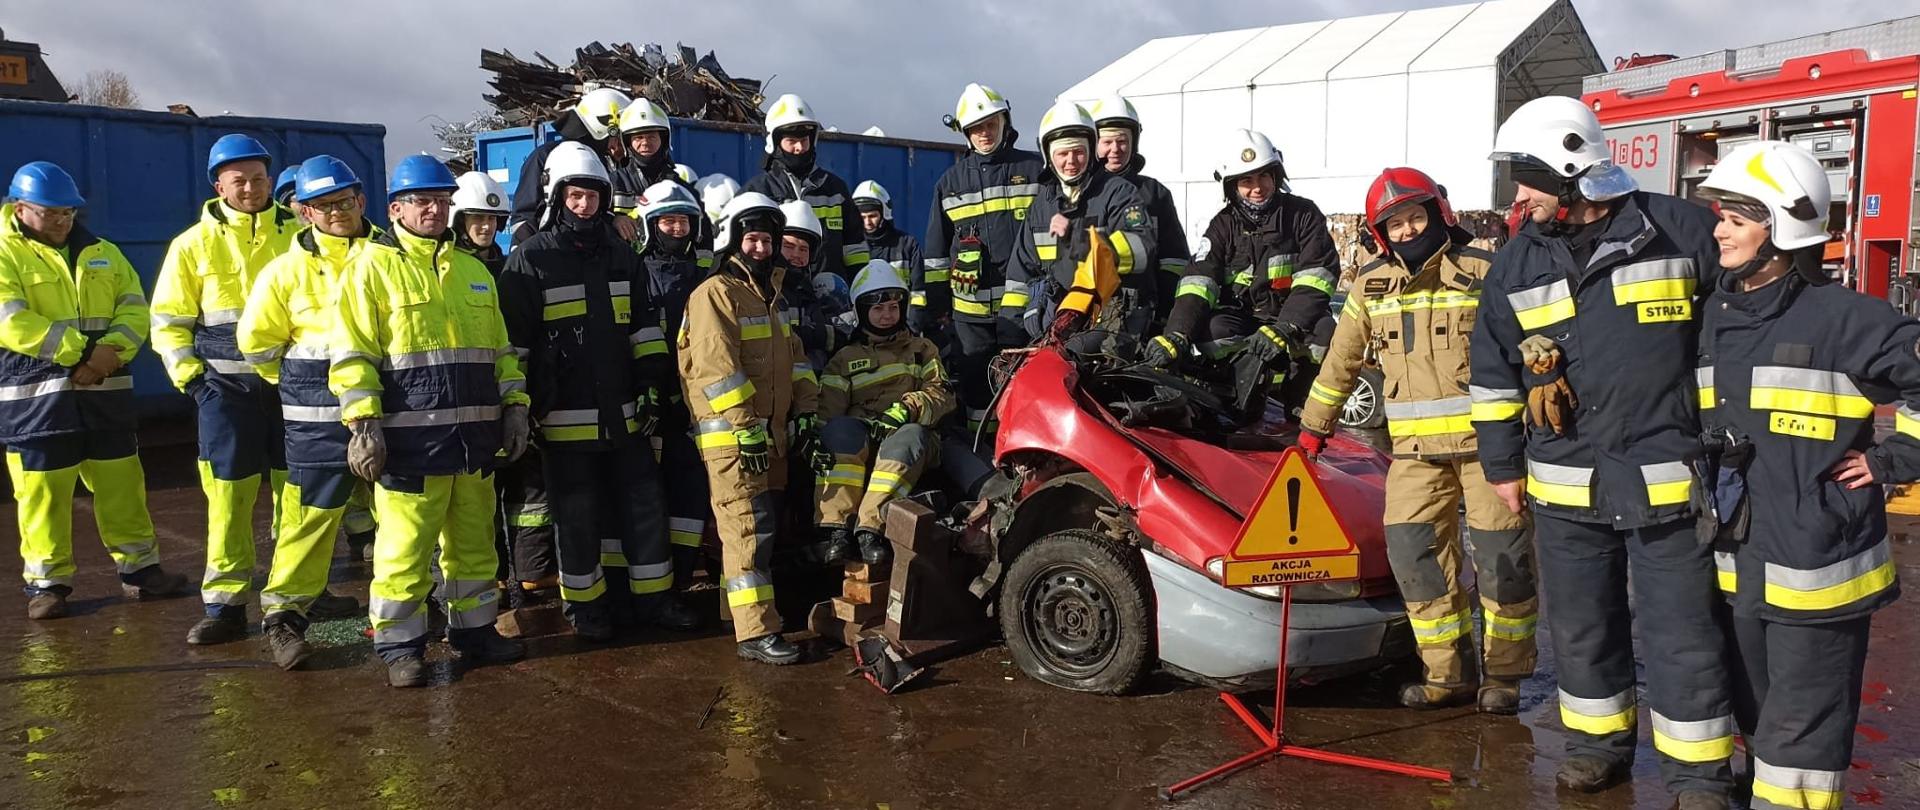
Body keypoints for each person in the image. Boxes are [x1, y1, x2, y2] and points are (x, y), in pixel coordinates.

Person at [1472, 95, 1732, 807]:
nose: (1517, 197)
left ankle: (1699, 776)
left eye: (1525, 180)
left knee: (1684, 635)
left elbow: (1729, 341)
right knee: (1584, 632)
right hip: (1565, 486)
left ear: (1567, 170)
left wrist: (1721, 440)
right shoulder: (1517, 263)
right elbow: (1493, 371)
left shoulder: (1678, 231)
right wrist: (1500, 466)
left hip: (1666, 477)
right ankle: (1597, 749)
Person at [1695, 141, 1908, 810]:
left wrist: (1887, 462)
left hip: (1821, 564)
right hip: (1738, 564)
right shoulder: (1709, 318)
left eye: (1736, 217)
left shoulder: (1849, 320)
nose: (1719, 230)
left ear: (1783, 227)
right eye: (1720, 216)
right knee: (1756, 715)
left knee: (1803, 741)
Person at [1295, 167, 1536, 714]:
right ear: (1381, 234)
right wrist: (1313, 430)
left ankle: (1505, 676)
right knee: (1413, 555)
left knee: (1504, 560)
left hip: (1488, 451)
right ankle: (1447, 674)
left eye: (1414, 217)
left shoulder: (1486, 270)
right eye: (1394, 224)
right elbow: (1341, 363)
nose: (1407, 230)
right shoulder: (1370, 286)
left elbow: (1528, 337)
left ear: (1438, 213)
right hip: (1413, 456)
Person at [331, 154, 530, 687]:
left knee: (473, 547)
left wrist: (515, 407)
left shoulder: (472, 271)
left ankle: (475, 633)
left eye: (442, 201)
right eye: (422, 201)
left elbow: (501, 352)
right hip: (408, 447)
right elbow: (352, 356)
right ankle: (401, 646)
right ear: (396, 208)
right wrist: (364, 425)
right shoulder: (369, 268)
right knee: (403, 551)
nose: (434, 210)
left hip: (474, 443)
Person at [498, 142, 698, 640]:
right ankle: (585, 608)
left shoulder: (621, 257)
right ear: (557, 197)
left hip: (626, 414)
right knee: (577, 517)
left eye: (592, 195)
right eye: (575, 195)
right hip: (562, 417)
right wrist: (521, 408)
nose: (583, 204)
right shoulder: (530, 259)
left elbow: (645, 330)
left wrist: (652, 386)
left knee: (642, 505)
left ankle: (651, 599)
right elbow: (514, 345)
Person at [0, 161, 190, 619]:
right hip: (37, 402)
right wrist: (85, 353)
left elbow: (135, 309)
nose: (64, 221)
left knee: (122, 484)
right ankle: (48, 584)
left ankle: (142, 570)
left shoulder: (103, 252)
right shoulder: (5, 254)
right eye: (52, 213)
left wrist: (111, 354)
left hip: (104, 393)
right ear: (21, 208)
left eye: (68, 212)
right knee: (42, 494)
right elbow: (10, 320)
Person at [152, 133, 301, 645]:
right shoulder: (192, 244)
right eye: (240, 181)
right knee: (228, 499)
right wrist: (194, 381)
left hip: (291, 390)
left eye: (260, 179)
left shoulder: (298, 235)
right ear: (219, 185)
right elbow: (168, 322)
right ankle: (225, 606)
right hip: (225, 394)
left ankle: (295, 594)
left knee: (296, 495)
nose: (252, 189)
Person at [237, 155, 382, 669]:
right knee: (310, 520)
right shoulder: (285, 272)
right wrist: (302, 386)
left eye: (343, 201)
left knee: (401, 517)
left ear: (360, 200)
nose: (336, 212)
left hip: (388, 416)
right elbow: (256, 345)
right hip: (316, 423)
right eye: (322, 205)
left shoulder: (390, 258)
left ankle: (410, 609)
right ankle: (283, 618)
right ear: (304, 212)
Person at [679, 191, 820, 666]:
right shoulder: (714, 294)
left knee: (753, 532)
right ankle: (755, 633)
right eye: (752, 239)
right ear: (733, 241)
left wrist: (806, 410)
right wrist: (747, 428)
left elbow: (796, 362)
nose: (761, 248)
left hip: (767, 436)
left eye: (768, 239)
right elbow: (718, 371)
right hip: (735, 439)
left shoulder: (769, 295)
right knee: (747, 531)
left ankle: (734, 616)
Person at [920, 83, 1045, 438]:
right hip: (970, 315)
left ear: (1005, 122)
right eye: (976, 127)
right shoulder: (950, 183)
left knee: (1026, 384)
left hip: (1023, 309)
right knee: (976, 390)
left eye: (990, 124)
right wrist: (937, 309)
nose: (984, 133)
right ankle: (982, 453)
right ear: (965, 132)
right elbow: (935, 252)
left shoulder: (1036, 170)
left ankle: (1022, 452)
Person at [813, 261, 953, 565]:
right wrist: (816, 439)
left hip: (910, 437)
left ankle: (870, 530)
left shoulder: (921, 349)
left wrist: (906, 409)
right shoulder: (844, 359)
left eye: (893, 307)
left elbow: (941, 393)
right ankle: (837, 529)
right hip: (863, 437)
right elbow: (829, 411)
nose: (887, 315)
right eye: (878, 309)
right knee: (839, 433)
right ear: (862, 312)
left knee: (909, 436)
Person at [1193, 129, 1339, 407]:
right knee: (1213, 331)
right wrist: (1176, 335)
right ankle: (1235, 393)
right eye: (1246, 180)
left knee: (1325, 332)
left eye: (1264, 176)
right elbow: (1197, 281)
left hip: (1294, 320)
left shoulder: (1304, 215)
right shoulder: (1221, 226)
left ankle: (1301, 403)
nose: (1257, 187)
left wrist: (1285, 327)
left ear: (1276, 176)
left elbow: (1318, 277)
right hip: (1246, 319)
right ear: (1231, 186)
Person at [1012, 101, 1156, 345]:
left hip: (1112, 318)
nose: (1071, 161)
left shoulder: (1119, 193)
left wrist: (1078, 240)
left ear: (1091, 151)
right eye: (1062, 153)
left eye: (1078, 151)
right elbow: (1020, 273)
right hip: (1055, 323)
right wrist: (1014, 328)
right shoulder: (1040, 207)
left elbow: (1141, 247)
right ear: (1049, 156)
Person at [637, 181, 715, 583]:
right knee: (648, 496)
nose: (677, 229)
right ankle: (649, 586)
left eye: (683, 221)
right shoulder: (635, 272)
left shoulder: (708, 273)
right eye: (668, 221)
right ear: (651, 226)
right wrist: (648, 384)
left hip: (695, 401)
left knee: (689, 492)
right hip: (651, 401)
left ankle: (681, 580)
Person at [1087, 95, 1190, 325]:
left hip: (1144, 313)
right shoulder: (1081, 195)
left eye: (1122, 141)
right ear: (1094, 144)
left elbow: (1175, 259)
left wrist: (1165, 312)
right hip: (1088, 313)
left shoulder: (1154, 193)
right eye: (1107, 142)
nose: (1115, 149)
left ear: (1134, 142)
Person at [744, 94, 870, 280]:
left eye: (804, 140)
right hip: (777, 297)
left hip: (830, 299)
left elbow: (855, 249)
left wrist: (856, 289)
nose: (799, 148)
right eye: (792, 141)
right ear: (775, 143)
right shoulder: (758, 191)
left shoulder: (835, 189)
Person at [508, 87, 631, 244]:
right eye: (618, 136)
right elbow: (524, 218)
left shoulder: (606, 164)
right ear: (606, 128)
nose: (619, 145)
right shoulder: (545, 157)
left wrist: (614, 220)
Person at [853, 181, 923, 318]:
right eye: (862, 218)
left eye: (872, 216)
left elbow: (919, 294)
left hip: (902, 324)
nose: (867, 223)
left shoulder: (907, 245)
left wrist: (912, 327)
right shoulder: (851, 247)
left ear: (884, 213)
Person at [777, 198, 835, 361]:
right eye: (788, 246)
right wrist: (823, 335)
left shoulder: (805, 289)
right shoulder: (766, 288)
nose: (796, 254)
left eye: (804, 249)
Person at [450, 171, 510, 274]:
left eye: (491, 218)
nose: (487, 226)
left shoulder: (509, 268)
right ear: (460, 222)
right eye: (478, 217)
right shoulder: (446, 267)